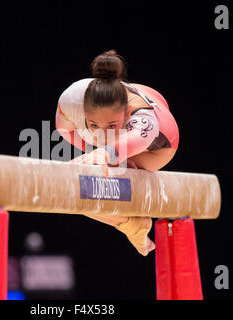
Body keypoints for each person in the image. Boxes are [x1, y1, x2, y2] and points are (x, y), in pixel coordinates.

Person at [55, 50, 179, 256]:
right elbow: (64, 129)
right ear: (83, 110)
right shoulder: (71, 100)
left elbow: (138, 138)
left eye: (111, 126)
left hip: (160, 144)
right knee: (71, 189)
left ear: (127, 113)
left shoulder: (143, 121)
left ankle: (132, 225)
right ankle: (132, 225)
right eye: (93, 124)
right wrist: (92, 151)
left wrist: (105, 155)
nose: (102, 134)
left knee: (84, 180)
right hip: (129, 108)